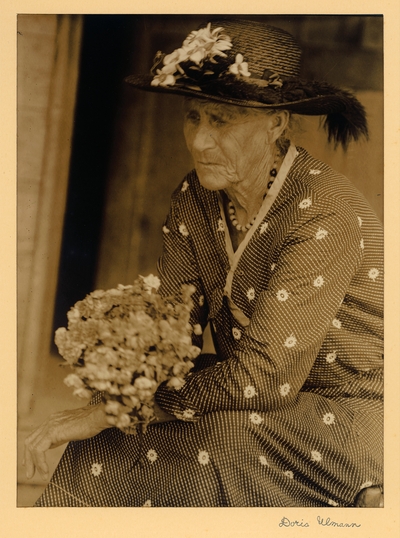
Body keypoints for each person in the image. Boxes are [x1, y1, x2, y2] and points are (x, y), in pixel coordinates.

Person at [24, 19, 383, 507]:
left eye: (222, 120)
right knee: (115, 429)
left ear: (276, 123)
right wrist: (117, 390)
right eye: (194, 117)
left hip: (351, 412)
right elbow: (174, 347)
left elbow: (263, 378)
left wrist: (119, 409)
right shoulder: (194, 198)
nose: (199, 141)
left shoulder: (326, 209)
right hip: (250, 395)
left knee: (219, 441)